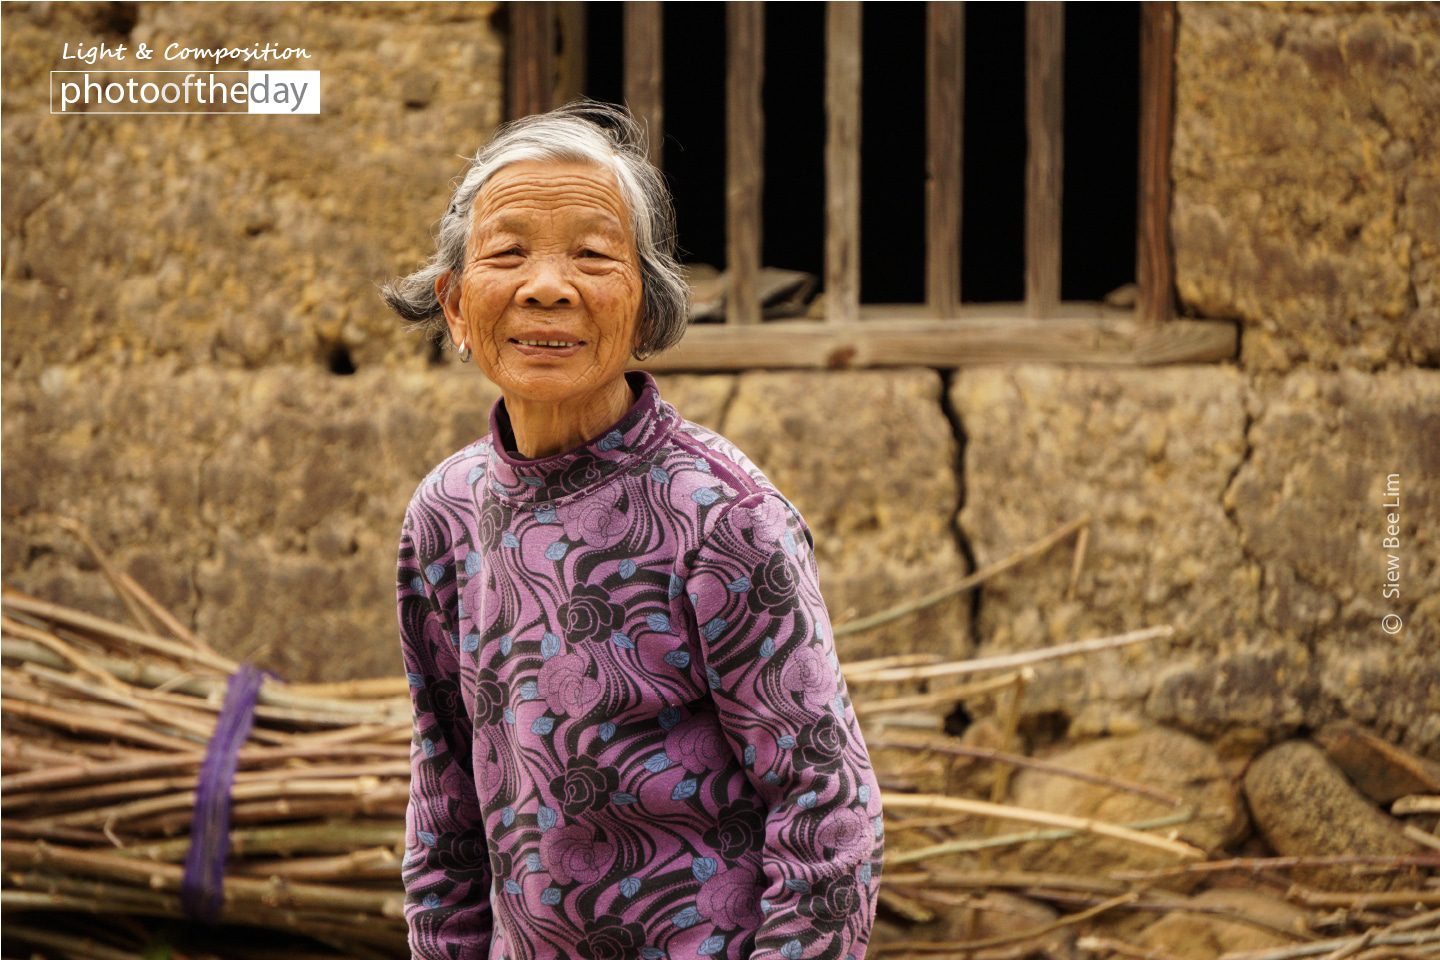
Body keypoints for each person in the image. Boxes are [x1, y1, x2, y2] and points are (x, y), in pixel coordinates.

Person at [381, 101, 883, 960]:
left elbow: (826, 814)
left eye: (592, 254)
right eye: (507, 253)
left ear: (645, 306)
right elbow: (445, 799)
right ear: (456, 307)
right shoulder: (447, 513)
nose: (547, 285)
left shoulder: (721, 519)